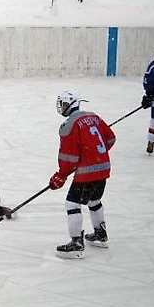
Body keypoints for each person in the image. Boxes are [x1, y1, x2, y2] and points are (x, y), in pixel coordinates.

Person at [48, 89, 116, 259]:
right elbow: (110, 138)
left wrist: (60, 176)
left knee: (72, 204)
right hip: (104, 167)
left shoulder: (68, 125)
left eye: (63, 104)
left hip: (87, 172)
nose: (61, 107)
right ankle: (100, 234)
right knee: (94, 200)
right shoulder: (94, 117)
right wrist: (94, 154)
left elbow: (68, 157)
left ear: (71, 104)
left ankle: (76, 244)